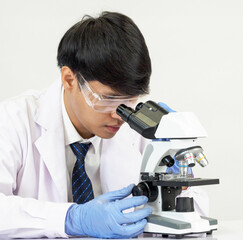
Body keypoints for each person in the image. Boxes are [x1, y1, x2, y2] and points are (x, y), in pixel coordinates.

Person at [0, 12, 208, 238]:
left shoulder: (144, 131)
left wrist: (176, 188)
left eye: (131, 100)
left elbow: (197, 208)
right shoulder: (13, 121)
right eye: (109, 99)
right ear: (69, 79)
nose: (121, 115)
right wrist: (72, 219)